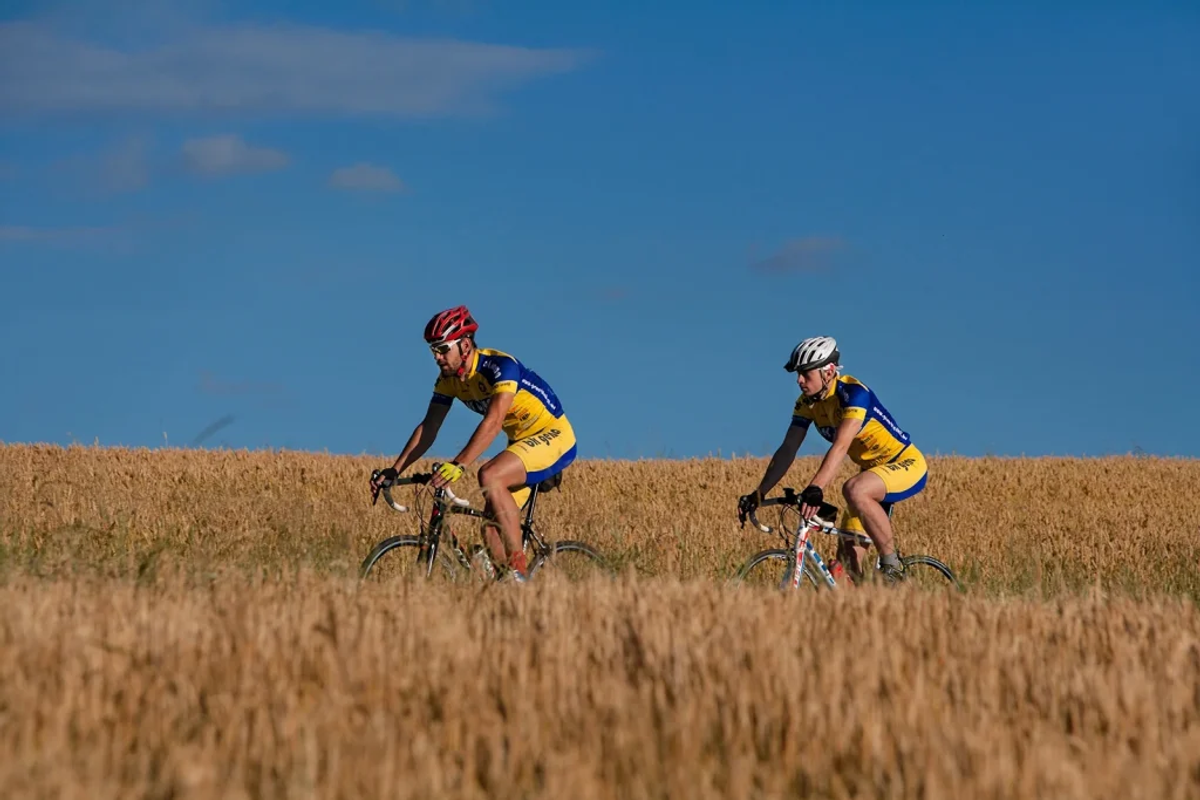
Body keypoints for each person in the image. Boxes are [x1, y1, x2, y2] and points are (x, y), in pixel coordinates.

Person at [370, 305, 577, 580]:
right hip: (521, 442)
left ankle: (518, 570)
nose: (437, 357)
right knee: (490, 527)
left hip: (553, 435)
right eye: (433, 350)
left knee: (489, 475)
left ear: (465, 345)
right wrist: (395, 469)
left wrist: (459, 465)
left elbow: (493, 423)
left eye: (443, 349)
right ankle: (514, 593)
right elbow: (430, 426)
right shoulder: (449, 381)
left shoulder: (499, 367)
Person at [736, 336, 928, 584]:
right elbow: (788, 449)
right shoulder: (807, 403)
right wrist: (758, 494)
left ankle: (893, 567)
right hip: (871, 473)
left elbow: (841, 446)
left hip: (905, 464)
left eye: (806, 374)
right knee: (845, 572)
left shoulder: (854, 395)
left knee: (854, 488)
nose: (799, 380)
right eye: (798, 374)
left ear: (827, 372)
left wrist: (816, 488)